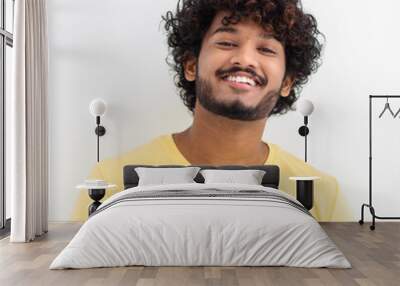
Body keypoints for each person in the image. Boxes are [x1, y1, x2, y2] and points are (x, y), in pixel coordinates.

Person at [71, 0, 351, 222]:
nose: (245, 59)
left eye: (266, 49)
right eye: (227, 42)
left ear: (287, 82)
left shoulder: (324, 193)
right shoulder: (109, 182)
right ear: (191, 65)